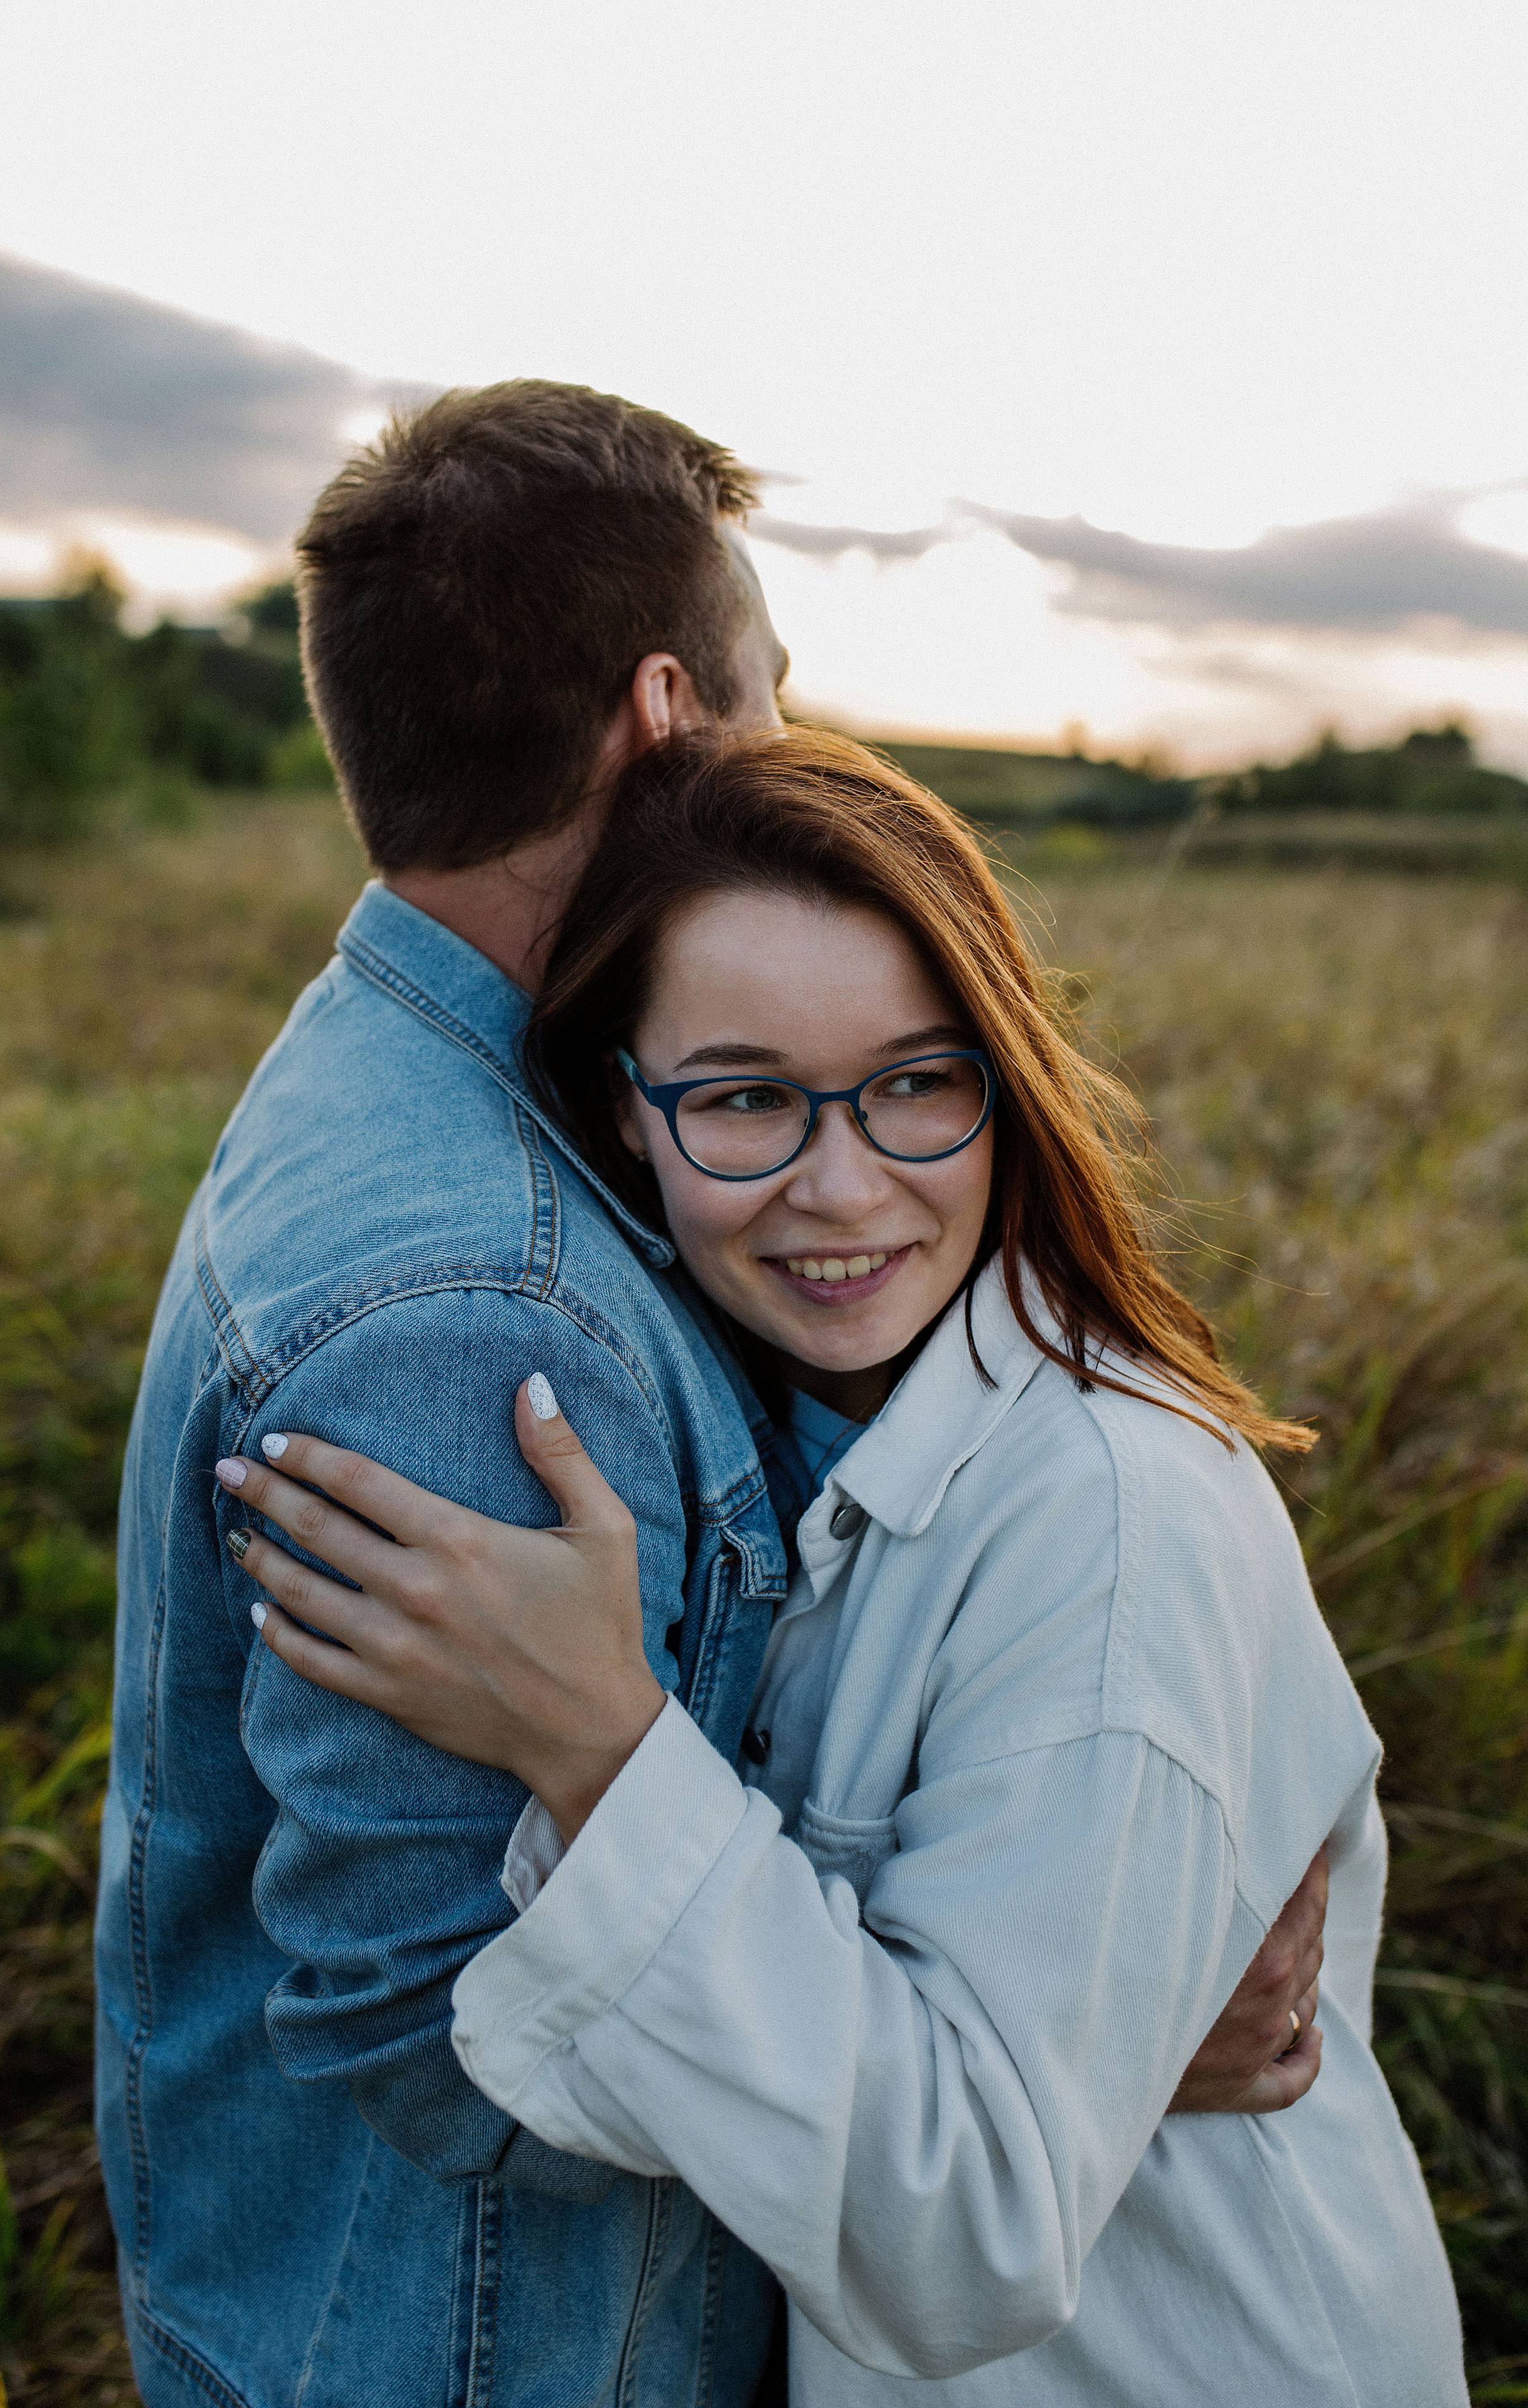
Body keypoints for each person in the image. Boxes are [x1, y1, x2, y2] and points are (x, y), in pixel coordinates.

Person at [98, 381, 1325, 2408]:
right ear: (671, 719)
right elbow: (440, 2034)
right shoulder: (487, 1309)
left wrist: (1054, 1991)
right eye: (778, 691)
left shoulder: (408, 1075)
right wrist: (1059, 2019)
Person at [217, 731, 1466, 2406]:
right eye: (743, 1097)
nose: (844, 1183)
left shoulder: (1112, 1518)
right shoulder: (762, 1429)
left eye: (917, 1083)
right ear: (622, 1111)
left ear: (1004, 1083)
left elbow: (964, 2233)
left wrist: (600, 1747)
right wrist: (1114, 2050)